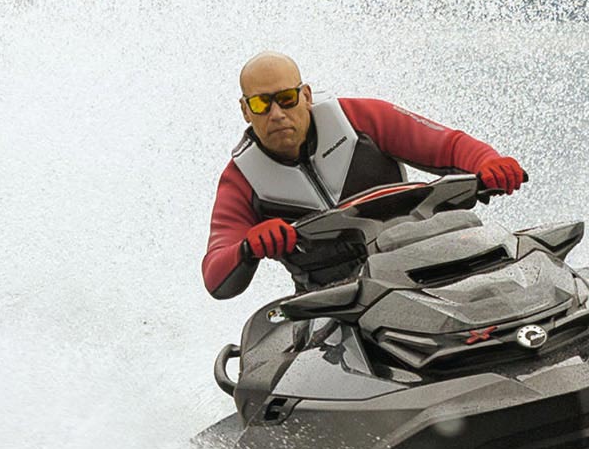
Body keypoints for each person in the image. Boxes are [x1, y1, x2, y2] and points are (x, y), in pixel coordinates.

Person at [201, 50, 528, 298]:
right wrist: (247, 248)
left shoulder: (363, 120)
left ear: (306, 96)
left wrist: (488, 163)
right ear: (245, 110)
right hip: (334, 303)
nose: (276, 114)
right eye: (261, 104)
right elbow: (216, 272)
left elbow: (448, 145)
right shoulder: (241, 179)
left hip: (423, 268)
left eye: (286, 99)